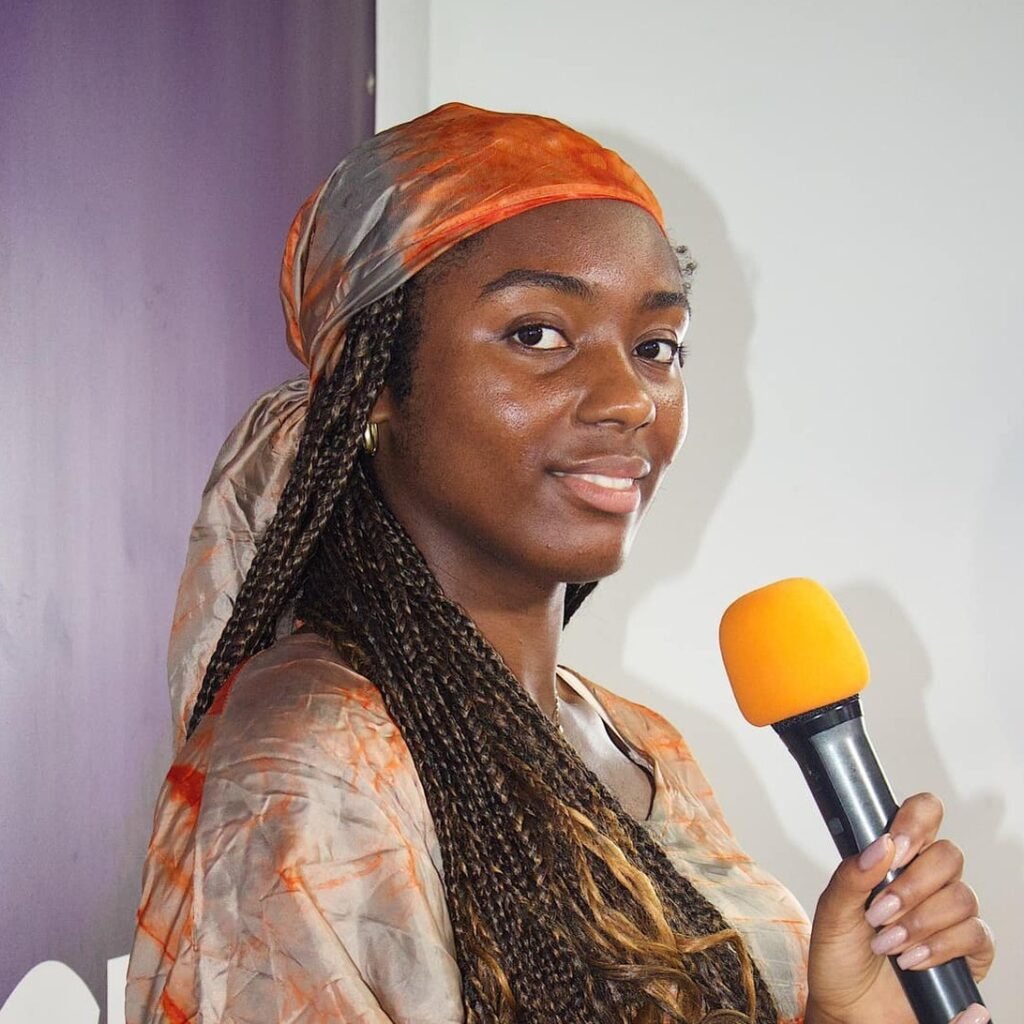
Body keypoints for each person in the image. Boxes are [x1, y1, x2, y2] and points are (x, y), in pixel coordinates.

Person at [126, 103, 993, 1024]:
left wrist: (850, 1010)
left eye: (656, 347)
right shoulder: (312, 760)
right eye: (538, 334)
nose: (630, 399)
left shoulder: (639, 743)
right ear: (373, 380)